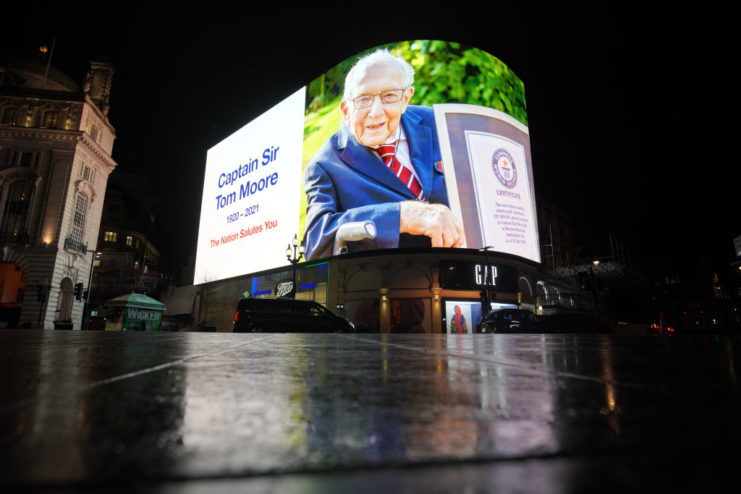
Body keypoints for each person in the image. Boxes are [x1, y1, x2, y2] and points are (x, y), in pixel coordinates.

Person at [303, 50, 465, 260]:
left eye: (389, 96)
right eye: (363, 99)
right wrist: (402, 216)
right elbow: (316, 244)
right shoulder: (324, 165)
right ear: (345, 110)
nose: (376, 112)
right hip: (394, 283)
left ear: (405, 99)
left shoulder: (439, 123)